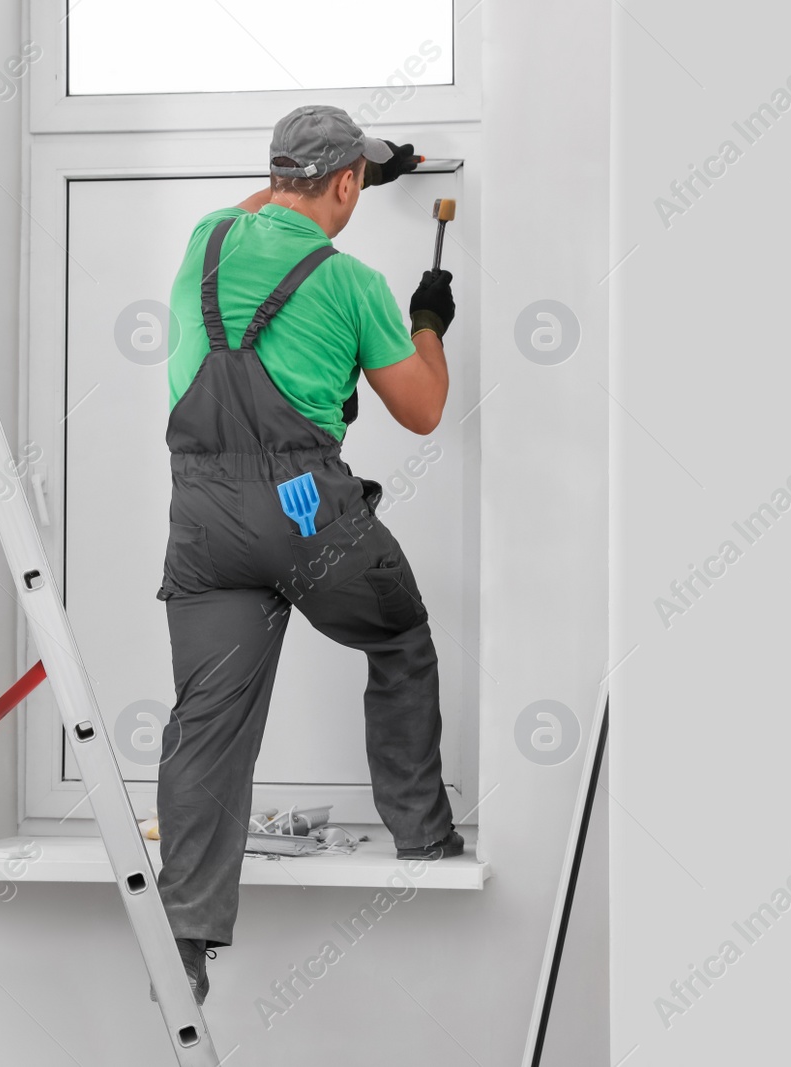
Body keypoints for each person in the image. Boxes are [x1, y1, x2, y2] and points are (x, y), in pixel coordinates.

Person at [151, 105, 462, 1006]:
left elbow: (269, 202)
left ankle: (187, 941)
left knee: (207, 719)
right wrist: (429, 319)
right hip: (303, 510)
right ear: (342, 185)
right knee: (399, 641)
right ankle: (422, 836)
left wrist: (355, 171)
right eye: (354, 180)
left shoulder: (209, 239)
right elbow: (424, 410)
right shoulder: (353, 282)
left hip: (202, 517)